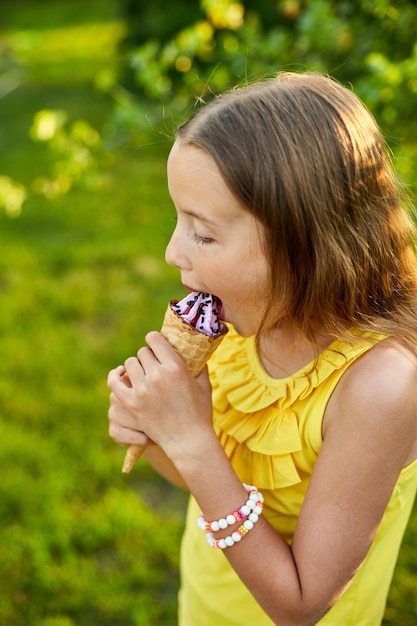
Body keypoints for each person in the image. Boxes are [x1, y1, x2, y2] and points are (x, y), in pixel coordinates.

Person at [107, 72, 417, 625]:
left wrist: (190, 437)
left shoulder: (382, 386)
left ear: (305, 244)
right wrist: (153, 430)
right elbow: (210, 482)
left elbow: (300, 605)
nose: (171, 252)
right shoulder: (236, 326)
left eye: (202, 233)